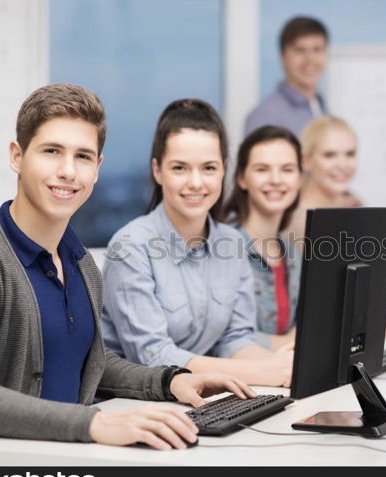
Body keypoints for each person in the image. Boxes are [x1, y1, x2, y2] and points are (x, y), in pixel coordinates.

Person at [0, 84, 256, 466]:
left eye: (83, 156)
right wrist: (95, 423)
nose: (67, 171)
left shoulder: (81, 265)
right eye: (51, 151)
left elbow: (90, 361)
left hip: (66, 462)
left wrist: (169, 381)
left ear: (97, 168)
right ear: (17, 156)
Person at [101, 99, 294, 388]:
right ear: (157, 171)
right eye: (179, 168)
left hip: (201, 399)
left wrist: (284, 366)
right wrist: (264, 373)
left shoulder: (232, 243)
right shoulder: (130, 247)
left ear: (224, 170)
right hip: (134, 403)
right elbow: (154, 355)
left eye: (209, 168)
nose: (196, 182)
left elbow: (235, 339)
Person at [285, 115, 386, 337]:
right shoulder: (301, 222)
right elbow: (327, 313)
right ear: (305, 161)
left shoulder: (349, 205)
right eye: (329, 155)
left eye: (350, 154)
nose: (342, 164)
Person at [224, 126, 303, 350]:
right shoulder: (222, 249)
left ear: (299, 178)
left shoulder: (294, 257)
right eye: (262, 169)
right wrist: (286, 343)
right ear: (241, 178)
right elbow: (218, 337)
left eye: (287, 169)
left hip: (280, 379)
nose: (276, 180)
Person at [244, 16, 329, 137]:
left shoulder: (323, 109)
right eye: (299, 50)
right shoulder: (264, 117)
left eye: (317, 50)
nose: (310, 59)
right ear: (283, 58)